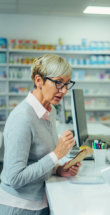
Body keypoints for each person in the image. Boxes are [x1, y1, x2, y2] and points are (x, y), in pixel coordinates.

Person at [0, 54, 81, 214]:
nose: (64, 90)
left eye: (66, 84)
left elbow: (35, 160)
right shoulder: (22, 118)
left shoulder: (49, 111)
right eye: (58, 82)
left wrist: (58, 169)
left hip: (40, 202)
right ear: (38, 81)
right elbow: (14, 178)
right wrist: (56, 154)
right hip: (20, 207)